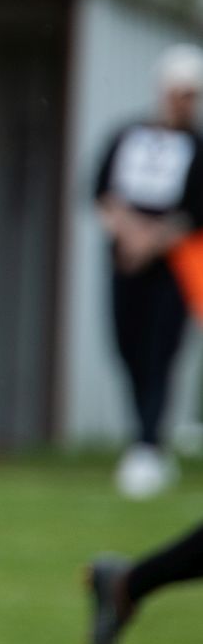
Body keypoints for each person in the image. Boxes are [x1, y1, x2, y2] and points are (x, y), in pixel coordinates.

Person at [94, 43, 203, 499]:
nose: (184, 103)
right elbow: (103, 192)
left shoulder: (198, 148)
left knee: (161, 352)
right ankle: (142, 436)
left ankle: (147, 444)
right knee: (128, 348)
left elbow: (193, 212)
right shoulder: (126, 135)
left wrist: (152, 241)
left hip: (172, 267)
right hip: (124, 261)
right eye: (179, 92)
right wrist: (130, 236)